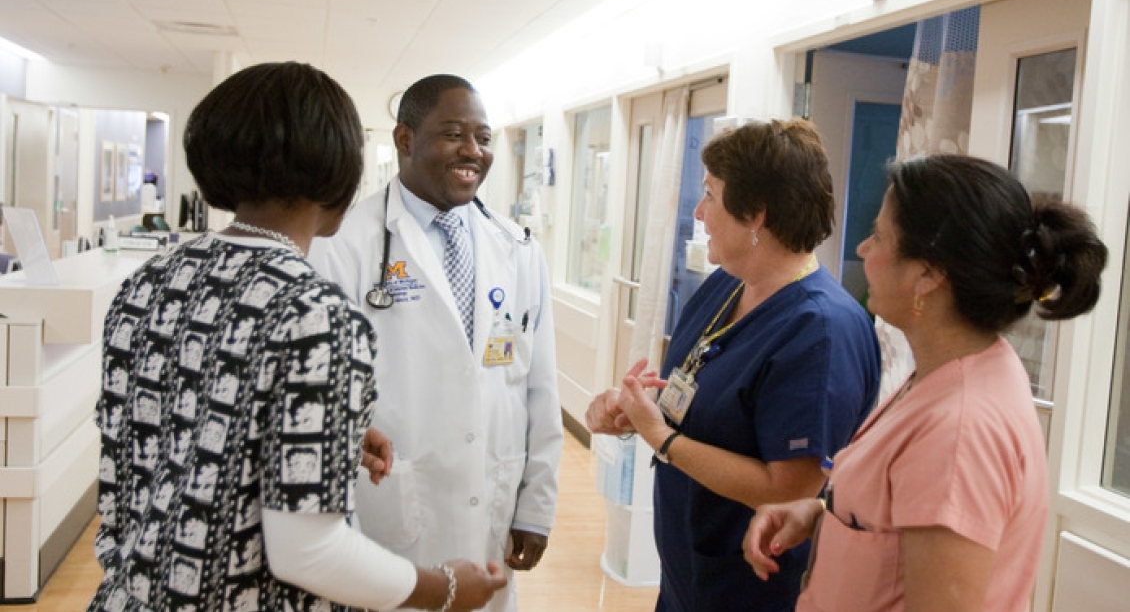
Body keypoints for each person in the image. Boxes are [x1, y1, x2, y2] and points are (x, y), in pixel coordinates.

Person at [88, 62, 507, 612]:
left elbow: (183, 431)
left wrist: (326, 434)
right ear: (338, 170)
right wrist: (448, 589)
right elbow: (308, 553)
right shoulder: (317, 313)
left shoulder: (149, 280)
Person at [743, 154, 1108, 612]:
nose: (863, 249)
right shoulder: (956, 369)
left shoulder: (960, 429)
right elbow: (904, 517)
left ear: (929, 275)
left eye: (880, 236)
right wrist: (823, 514)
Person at [586, 119, 881, 612]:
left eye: (711, 196)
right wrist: (632, 411)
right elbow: (707, 399)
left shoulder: (820, 331)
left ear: (757, 215)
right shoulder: (726, 285)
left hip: (752, 586)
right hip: (690, 572)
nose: (699, 212)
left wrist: (661, 438)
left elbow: (789, 487)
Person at [308, 74, 563, 612]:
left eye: (484, 137)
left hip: (489, 513)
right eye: (453, 134)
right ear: (405, 140)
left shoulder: (516, 249)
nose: (473, 151)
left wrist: (535, 508)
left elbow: (539, 388)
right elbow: (319, 396)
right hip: (390, 515)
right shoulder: (343, 244)